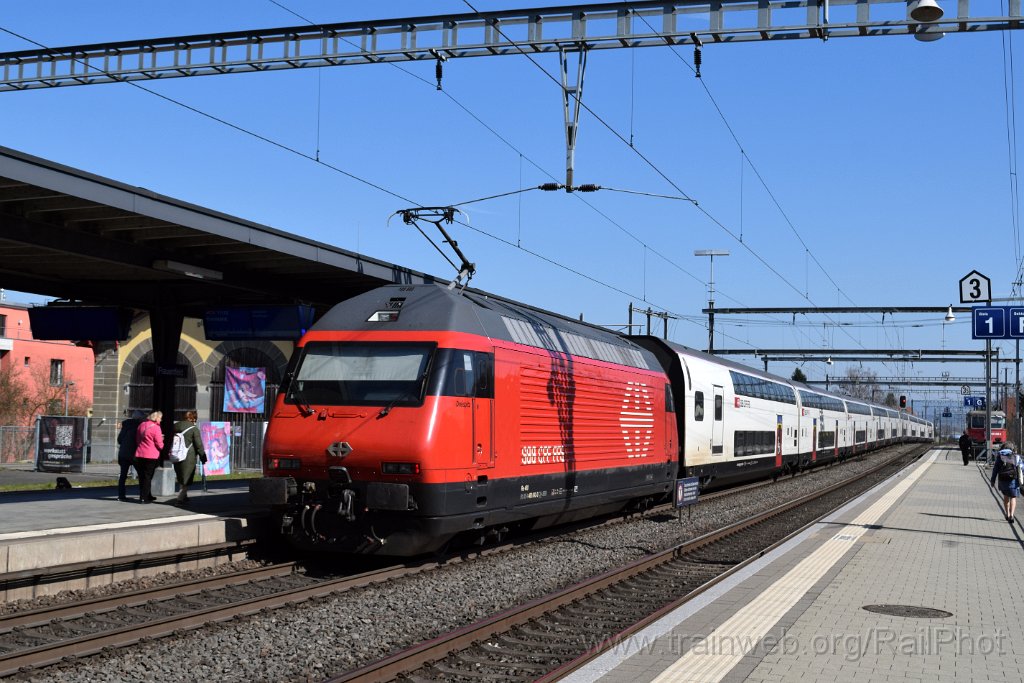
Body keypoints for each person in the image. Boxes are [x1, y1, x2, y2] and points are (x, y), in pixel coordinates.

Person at [171, 410, 207, 506]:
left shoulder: (175, 426)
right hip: (188, 456)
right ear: (193, 419)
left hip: (176, 455)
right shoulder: (193, 429)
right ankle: (179, 499)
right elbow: (198, 445)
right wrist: (203, 457)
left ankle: (184, 496)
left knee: (181, 476)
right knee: (187, 478)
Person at [134, 410, 164, 503]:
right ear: (156, 417)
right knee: (148, 477)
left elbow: (137, 439)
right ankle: (144, 497)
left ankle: (146, 495)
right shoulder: (156, 428)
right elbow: (159, 444)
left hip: (139, 454)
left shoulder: (141, 425)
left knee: (142, 476)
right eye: (160, 417)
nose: (161, 419)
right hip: (151, 456)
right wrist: (163, 442)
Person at [115, 410, 145, 501]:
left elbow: (119, 440)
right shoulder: (140, 426)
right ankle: (142, 495)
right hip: (135, 454)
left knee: (123, 476)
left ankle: (121, 495)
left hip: (124, 453)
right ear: (140, 418)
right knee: (141, 475)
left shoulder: (125, 426)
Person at [990, 447, 1023, 523]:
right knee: (1013, 497)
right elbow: (1022, 468)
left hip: (1003, 481)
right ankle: (1012, 515)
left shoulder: (1000, 457)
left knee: (1006, 497)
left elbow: (995, 470)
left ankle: (1007, 514)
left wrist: (993, 480)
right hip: (1013, 481)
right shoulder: (1016, 456)